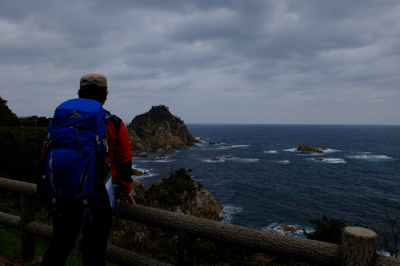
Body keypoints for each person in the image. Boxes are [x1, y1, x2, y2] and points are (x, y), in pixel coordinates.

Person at [42, 73, 135, 266]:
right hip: (97, 200)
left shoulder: (58, 121)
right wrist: (126, 190)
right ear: (105, 95)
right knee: (94, 255)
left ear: (79, 93)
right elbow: (125, 161)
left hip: (62, 195)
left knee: (58, 248)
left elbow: (45, 156)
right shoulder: (114, 123)